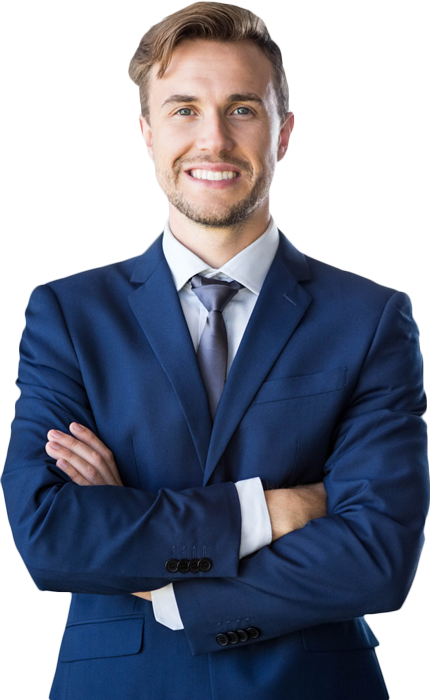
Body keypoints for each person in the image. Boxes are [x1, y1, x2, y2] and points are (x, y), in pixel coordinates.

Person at [2, 3, 428, 699]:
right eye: (183, 110)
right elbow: (51, 532)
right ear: (148, 132)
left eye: (242, 110)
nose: (213, 139)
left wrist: (161, 577)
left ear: (282, 133)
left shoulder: (370, 319)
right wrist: (267, 512)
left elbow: (376, 555)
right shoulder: (70, 315)